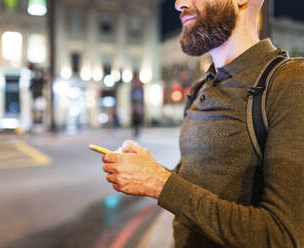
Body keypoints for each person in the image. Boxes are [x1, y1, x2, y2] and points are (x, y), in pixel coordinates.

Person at [101, 0, 304, 247]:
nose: (179, 4)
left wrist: (158, 183)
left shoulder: (290, 83)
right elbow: (201, 188)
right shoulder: (200, 89)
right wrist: (149, 172)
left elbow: (284, 236)